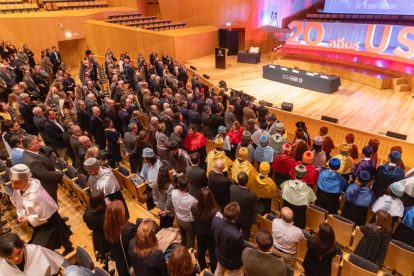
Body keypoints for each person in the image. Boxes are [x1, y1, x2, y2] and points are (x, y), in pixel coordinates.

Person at [10, 164, 73, 254]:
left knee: (45, 245)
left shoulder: (35, 194)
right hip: (39, 218)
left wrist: (28, 218)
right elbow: (20, 202)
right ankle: (68, 247)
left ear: (25, 180)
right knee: (59, 235)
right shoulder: (20, 187)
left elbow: (43, 215)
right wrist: (21, 214)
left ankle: (65, 250)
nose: (12, 185)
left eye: (15, 182)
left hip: (47, 219)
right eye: (11, 182)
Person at [0, 232, 67, 275]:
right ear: (3, 257)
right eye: (9, 257)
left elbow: (59, 262)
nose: (16, 259)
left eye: (18, 253)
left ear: (22, 246)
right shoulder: (2, 268)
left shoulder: (35, 250)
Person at [103, 200, 137, 276]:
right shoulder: (128, 230)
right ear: (120, 213)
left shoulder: (107, 227)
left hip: (120, 265)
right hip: (131, 264)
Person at [212, 202, 245, 276]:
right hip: (233, 263)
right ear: (236, 217)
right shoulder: (237, 235)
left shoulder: (215, 220)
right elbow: (241, 250)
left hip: (220, 255)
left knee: (218, 272)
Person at [191, 187, 220, 272]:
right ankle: (213, 271)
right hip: (211, 237)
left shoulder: (194, 207)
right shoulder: (216, 212)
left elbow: (193, 219)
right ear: (211, 198)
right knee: (213, 254)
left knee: (200, 252)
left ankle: (202, 268)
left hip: (199, 234)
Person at [83, 191, 111, 271]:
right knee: (114, 256)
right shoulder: (106, 214)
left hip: (97, 239)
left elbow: (89, 227)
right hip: (108, 238)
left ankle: (107, 270)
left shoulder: (87, 213)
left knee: (105, 260)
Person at [172, 176, 198, 249]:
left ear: (177, 184)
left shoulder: (173, 192)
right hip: (188, 223)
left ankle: (182, 248)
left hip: (178, 219)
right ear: (187, 186)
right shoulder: (192, 200)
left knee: (183, 236)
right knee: (190, 241)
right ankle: (187, 256)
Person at [230, 172, 257, 241]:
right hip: (246, 218)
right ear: (247, 181)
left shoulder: (232, 188)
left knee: (235, 232)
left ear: (238, 180)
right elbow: (254, 206)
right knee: (245, 237)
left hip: (235, 215)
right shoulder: (252, 195)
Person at [153, 162, 175, 228]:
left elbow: (154, 195)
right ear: (167, 175)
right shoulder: (170, 187)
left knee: (162, 225)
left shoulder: (155, 183)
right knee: (169, 227)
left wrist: (157, 205)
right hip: (168, 211)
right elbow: (169, 201)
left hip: (160, 207)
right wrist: (166, 211)